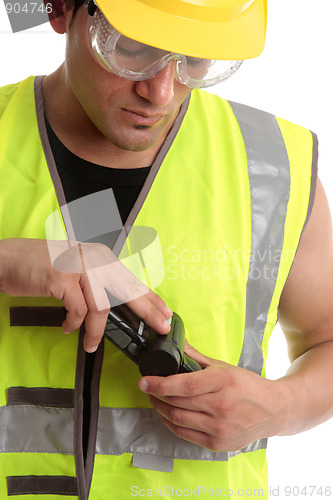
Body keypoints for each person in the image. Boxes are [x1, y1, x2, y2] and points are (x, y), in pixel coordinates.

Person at [0, 0, 333, 498]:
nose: (160, 91)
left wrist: (279, 407)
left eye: (195, 60)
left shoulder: (272, 165)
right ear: (60, 10)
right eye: (132, 49)